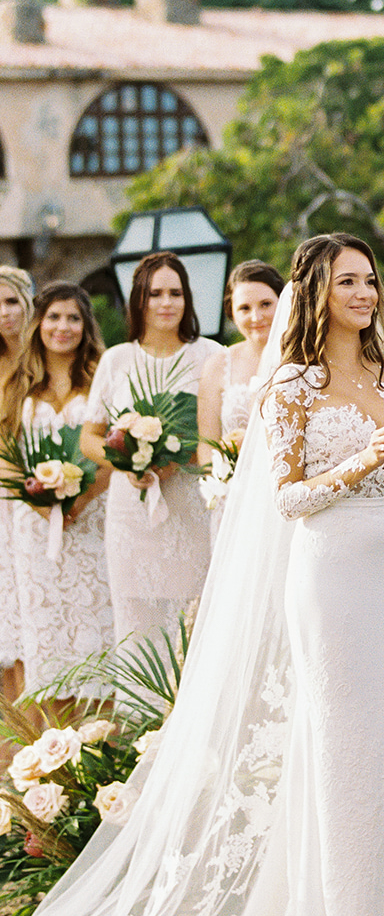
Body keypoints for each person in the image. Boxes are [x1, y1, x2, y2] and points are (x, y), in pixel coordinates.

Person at [0, 237, 384, 916]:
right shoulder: (288, 383)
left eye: (370, 280)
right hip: (330, 571)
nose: (364, 292)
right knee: (341, 744)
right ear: (317, 292)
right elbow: (288, 497)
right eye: (347, 281)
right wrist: (365, 457)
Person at [81, 253, 220, 655]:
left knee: (195, 616)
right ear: (138, 300)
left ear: (188, 299)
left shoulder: (209, 356)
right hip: (131, 511)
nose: (166, 302)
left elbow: (220, 434)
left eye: (175, 293)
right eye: (155, 293)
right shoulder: (117, 360)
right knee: (136, 619)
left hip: (191, 504)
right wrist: (129, 462)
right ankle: (142, 715)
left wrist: (182, 458)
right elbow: (90, 437)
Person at [6, 284, 113, 695]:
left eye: (73, 318)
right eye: (53, 317)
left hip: (92, 520)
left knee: (95, 626)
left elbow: (114, 448)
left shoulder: (101, 378)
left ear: (86, 326)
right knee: (45, 633)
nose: (62, 327)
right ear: (39, 324)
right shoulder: (18, 384)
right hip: (33, 529)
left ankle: (100, 744)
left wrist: (81, 499)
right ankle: (53, 751)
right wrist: (38, 502)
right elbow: (4, 451)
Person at [197, 260, 285, 539]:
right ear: (232, 313)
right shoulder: (217, 365)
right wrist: (224, 479)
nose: (256, 316)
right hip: (235, 502)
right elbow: (205, 444)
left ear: (283, 304)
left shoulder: (305, 359)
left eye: (265, 304)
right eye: (244, 308)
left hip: (286, 496)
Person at [0, 265, 34, 702]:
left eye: (11, 301)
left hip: (35, 500)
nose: (4, 313)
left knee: (31, 624)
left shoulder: (42, 367)